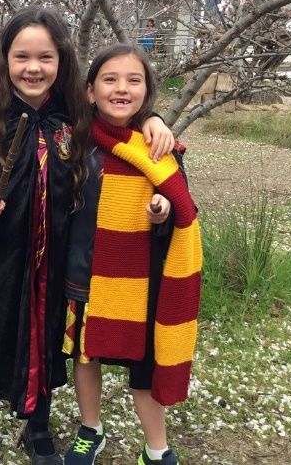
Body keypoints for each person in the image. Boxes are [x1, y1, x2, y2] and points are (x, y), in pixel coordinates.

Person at [0, 7, 175, 465]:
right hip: (2, 257)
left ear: (62, 61)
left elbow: (120, 116)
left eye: (46, 57)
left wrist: (153, 118)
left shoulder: (73, 116)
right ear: (5, 60)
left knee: (48, 340)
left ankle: (38, 425)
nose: (34, 68)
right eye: (22, 57)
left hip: (58, 256)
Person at [62, 44, 202, 465]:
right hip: (83, 275)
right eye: (109, 79)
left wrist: (162, 211)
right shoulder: (74, 140)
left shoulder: (157, 147)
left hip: (141, 282)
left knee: (144, 366)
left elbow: (182, 208)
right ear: (90, 92)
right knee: (86, 356)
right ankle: (91, 428)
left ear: (147, 92)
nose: (121, 88)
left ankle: (156, 448)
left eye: (133, 80)